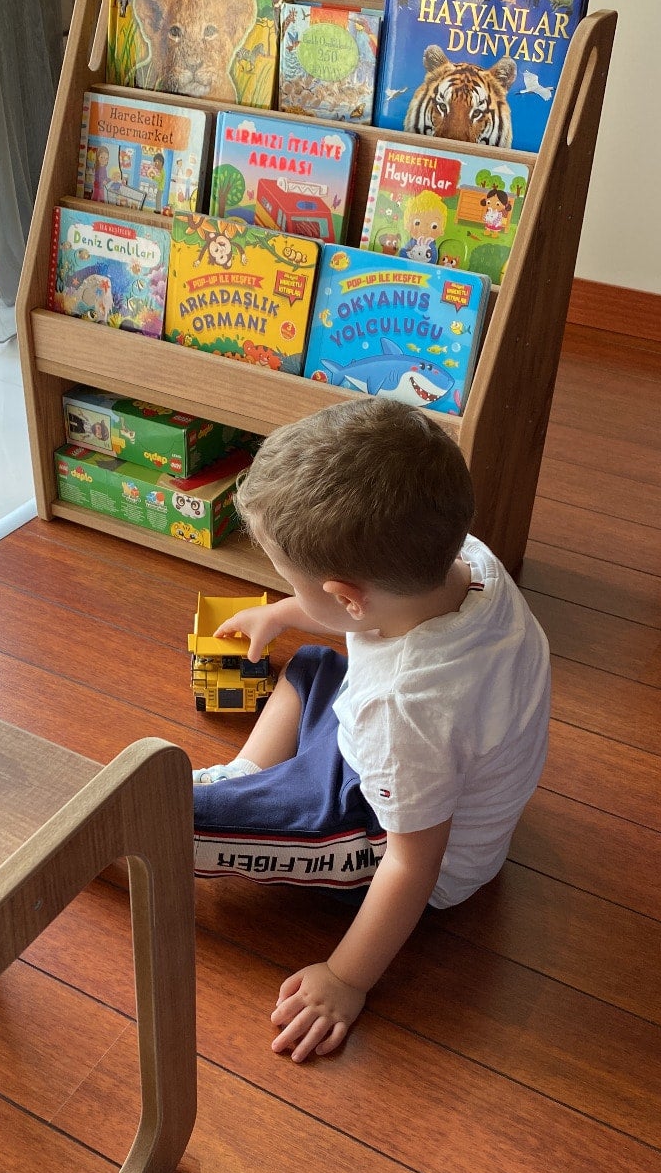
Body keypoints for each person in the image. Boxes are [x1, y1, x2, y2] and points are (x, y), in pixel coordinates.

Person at [192, 396, 550, 1064]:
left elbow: (416, 861)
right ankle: (248, 777)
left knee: (178, 813)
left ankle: (210, 804)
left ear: (348, 596)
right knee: (312, 663)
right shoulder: (464, 560)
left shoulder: (405, 707)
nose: (288, 594)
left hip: (393, 840)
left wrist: (345, 979)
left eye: (289, 580)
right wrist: (287, 612)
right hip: (410, 760)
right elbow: (359, 612)